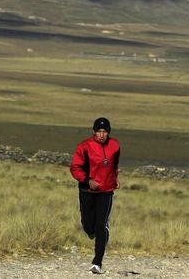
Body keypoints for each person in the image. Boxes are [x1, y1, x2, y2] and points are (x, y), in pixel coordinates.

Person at [70, 117, 120, 275]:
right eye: (99, 131)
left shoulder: (115, 145)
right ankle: (91, 231)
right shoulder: (84, 147)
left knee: (101, 225)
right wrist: (87, 181)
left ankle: (97, 262)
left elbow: (114, 164)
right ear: (94, 132)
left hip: (106, 191)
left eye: (105, 131)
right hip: (87, 191)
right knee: (88, 225)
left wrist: (115, 178)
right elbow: (75, 167)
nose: (102, 134)